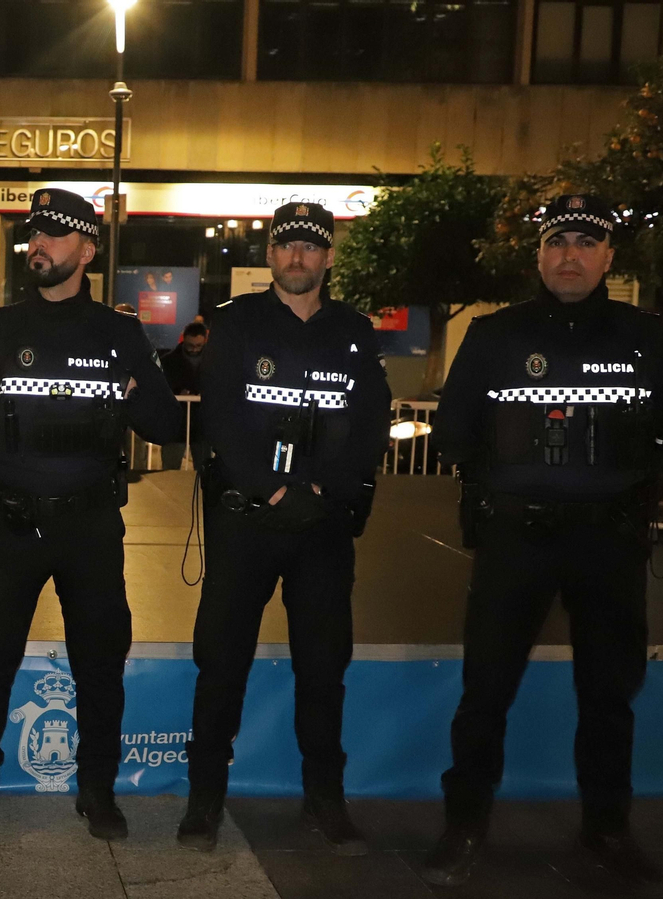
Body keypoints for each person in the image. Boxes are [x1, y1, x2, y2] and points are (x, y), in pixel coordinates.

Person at [421, 195, 663, 895]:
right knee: (484, 689)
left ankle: (607, 828)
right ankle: (464, 823)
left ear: (609, 256)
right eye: (557, 242)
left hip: (608, 540)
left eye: (585, 242)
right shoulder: (492, 336)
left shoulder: (646, 337)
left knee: (609, 693)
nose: (569, 255)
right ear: (538, 254)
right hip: (516, 538)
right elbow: (453, 431)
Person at [0, 188, 182, 842]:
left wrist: (133, 390)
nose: (35, 244)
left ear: (87, 249)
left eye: (53, 234)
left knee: (100, 664)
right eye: (32, 233)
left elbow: (165, 423)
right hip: (8, 526)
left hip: (89, 528)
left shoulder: (120, 335)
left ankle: (97, 790)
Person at [180, 202, 390, 854]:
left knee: (324, 668)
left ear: (327, 257)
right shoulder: (235, 325)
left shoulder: (355, 332)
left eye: (309, 247)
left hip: (322, 529)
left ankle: (325, 800)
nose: (296, 257)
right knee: (221, 664)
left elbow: (370, 425)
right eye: (286, 245)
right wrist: (272, 491)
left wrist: (323, 492)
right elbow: (220, 422)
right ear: (270, 254)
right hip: (247, 522)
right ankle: (204, 801)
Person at [158, 322, 207, 469]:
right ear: (184, 340)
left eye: (198, 346)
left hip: (201, 424)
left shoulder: (214, 362)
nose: (194, 349)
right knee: (170, 468)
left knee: (204, 469)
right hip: (176, 423)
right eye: (190, 345)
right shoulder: (168, 361)